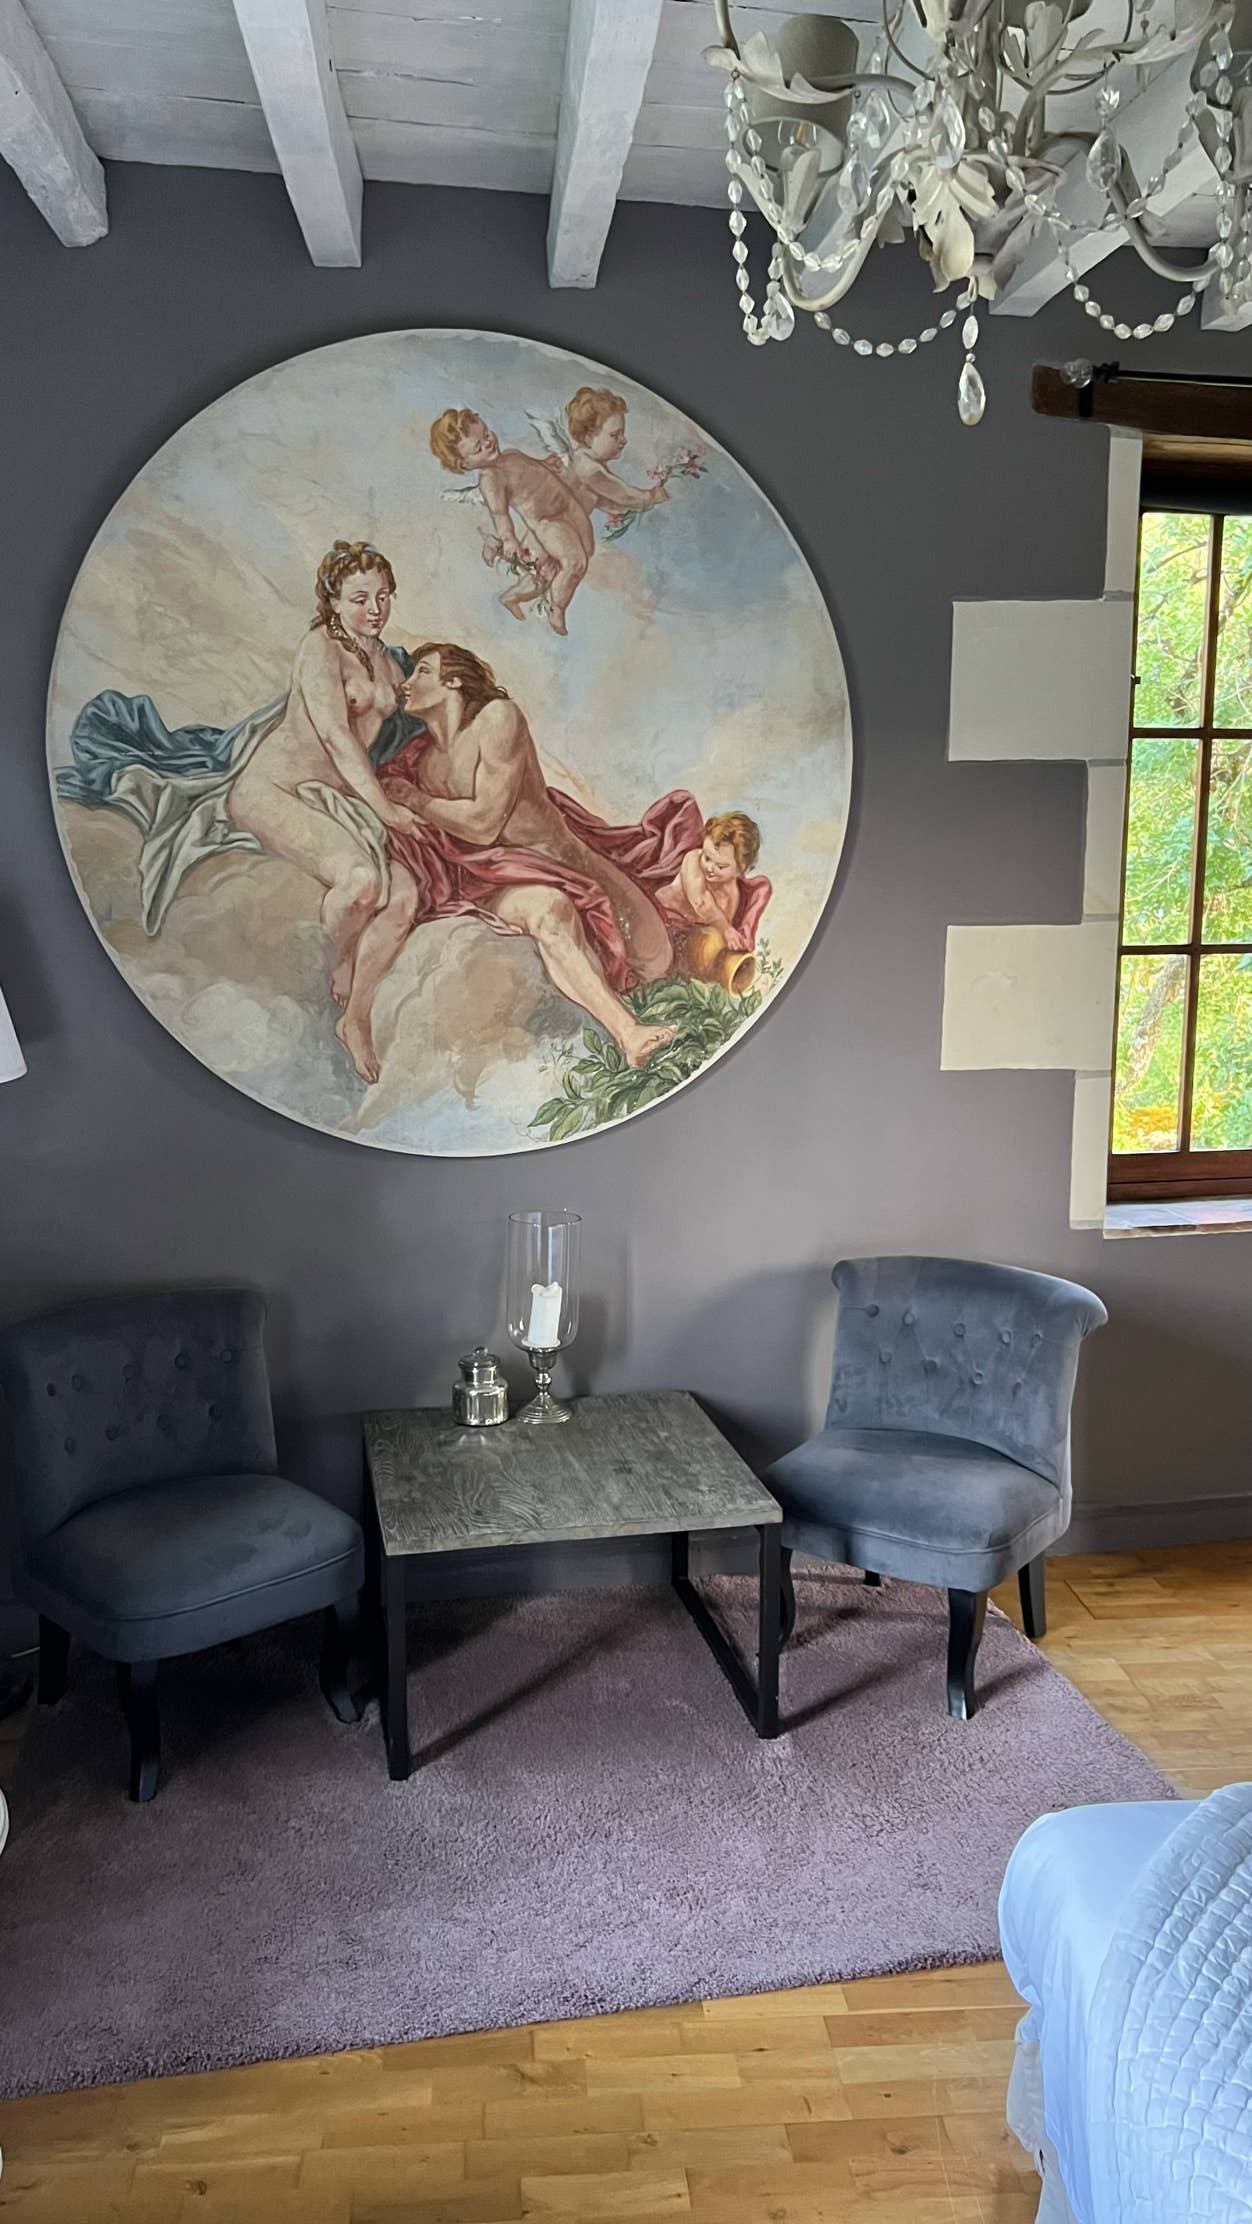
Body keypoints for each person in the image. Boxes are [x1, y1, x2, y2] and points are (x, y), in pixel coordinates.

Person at [335, 642, 698, 1084]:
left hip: (562, 860)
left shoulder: (496, 718)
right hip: (493, 881)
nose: (406, 684)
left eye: (422, 672)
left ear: (454, 681)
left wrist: (415, 799)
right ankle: (629, 1033)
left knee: (655, 958)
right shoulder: (422, 762)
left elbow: (484, 823)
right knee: (550, 912)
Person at [429, 408, 595, 633]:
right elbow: (499, 514)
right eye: (478, 448)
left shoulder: (511, 455)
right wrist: (508, 539)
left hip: (567, 505)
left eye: (486, 434)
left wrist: (547, 463)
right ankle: (557, 607)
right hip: (548, 523)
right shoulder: (491, 479)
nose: (488, 443)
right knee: (575, 563)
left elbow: (533, 468)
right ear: (465, 464)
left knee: (578, 553)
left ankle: (513, 596)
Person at [563, 386, 669, 523]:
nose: (624, 440)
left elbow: (611, 504)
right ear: (588, 437)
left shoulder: (588, 464)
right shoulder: (587, 467)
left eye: (622, 433)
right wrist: (652, 496)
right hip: (559, 529)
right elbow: (624, 496)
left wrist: (637, 505)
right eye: (614, 435)